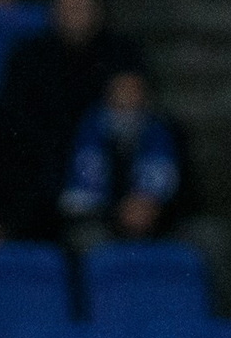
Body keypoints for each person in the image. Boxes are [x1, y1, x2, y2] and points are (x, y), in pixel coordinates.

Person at [0, 0, 144, 240]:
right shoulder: (27, 59)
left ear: (99, 7)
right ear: (52, 8)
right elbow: (16, 137)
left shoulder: (123, 55)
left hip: (118, 193)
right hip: (48, 198)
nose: (74, 8)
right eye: (65, 0)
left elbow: (143, 129)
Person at [59, 68, 193, 247]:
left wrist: (153, 206)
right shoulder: (81, 131)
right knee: (86, 240)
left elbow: (188, 190)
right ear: (107, 95)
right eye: (121, 90)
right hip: (99, 219)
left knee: (207, 237)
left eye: (133, 90)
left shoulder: (167, 131)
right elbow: (68, 192)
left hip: (160, 220)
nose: (127, 97)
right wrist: (117, 211)